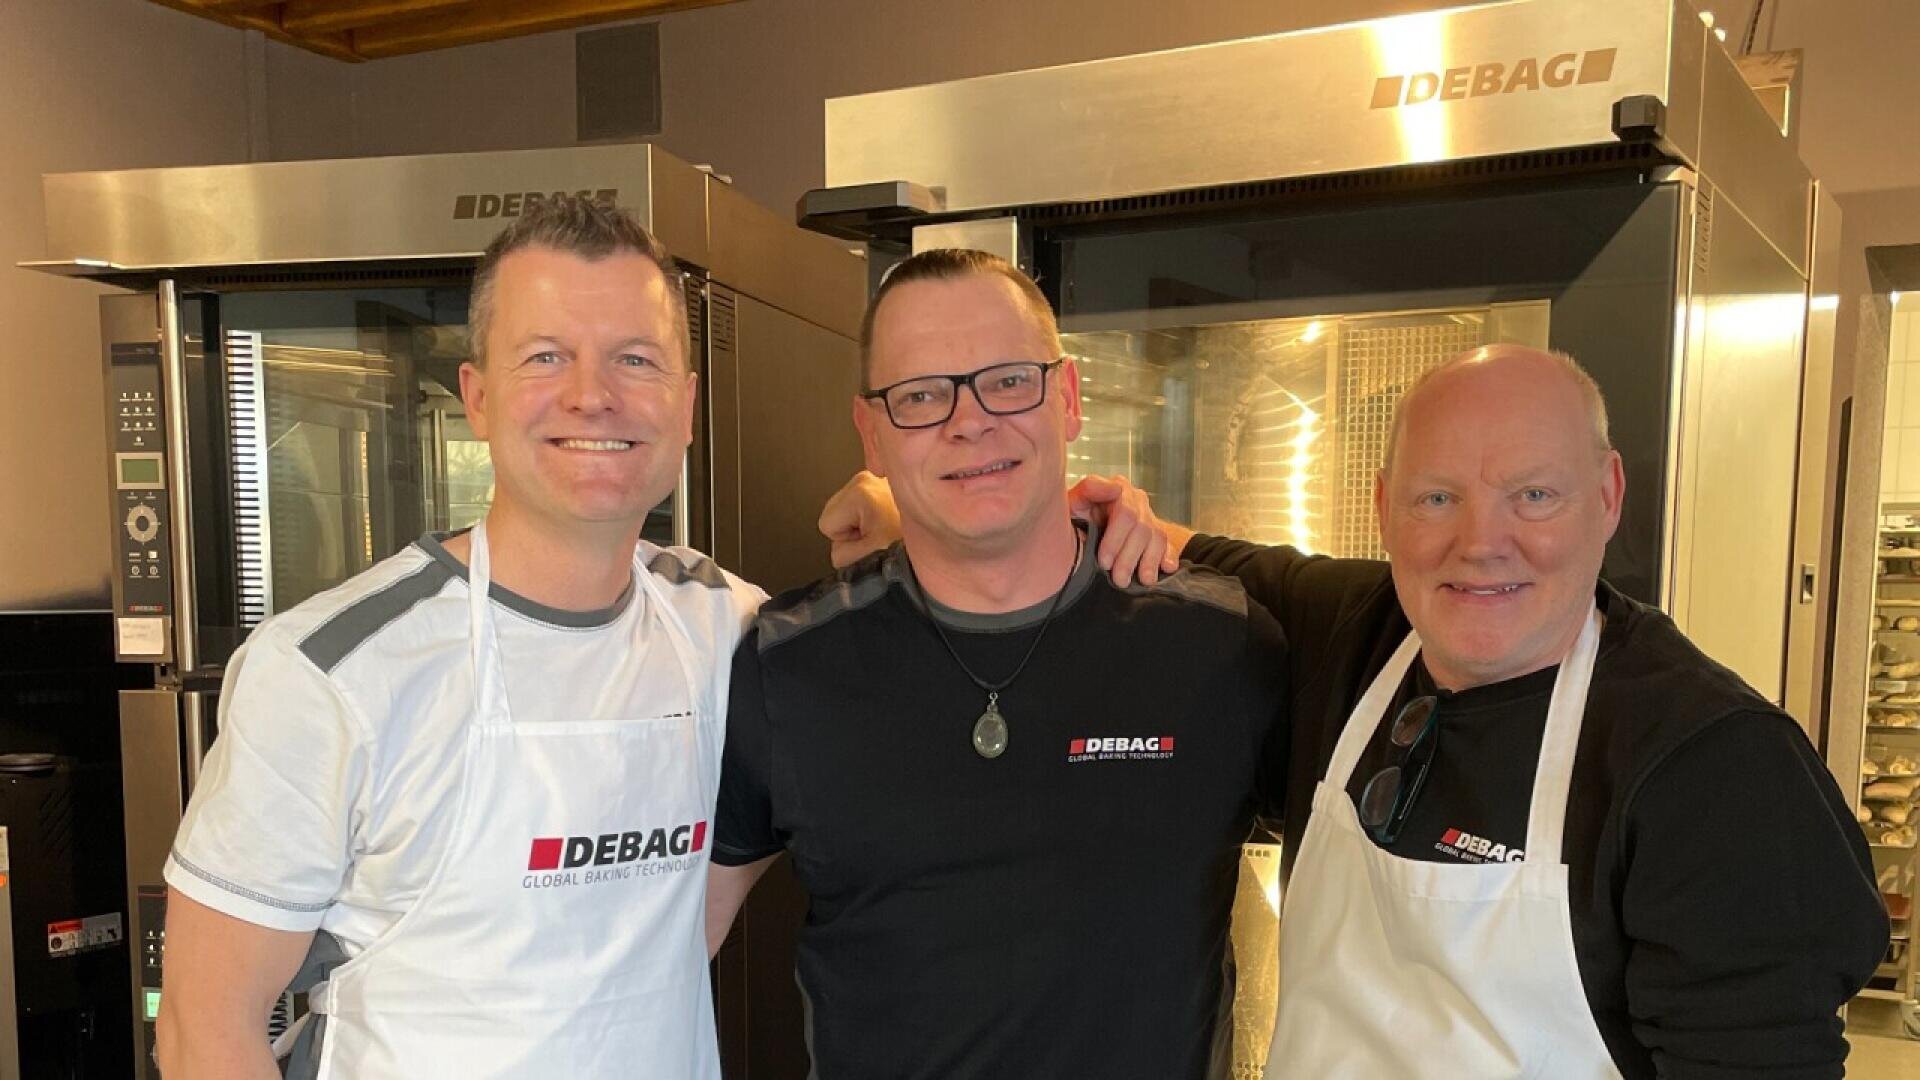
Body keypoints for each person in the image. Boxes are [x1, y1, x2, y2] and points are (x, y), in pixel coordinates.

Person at [823, 344, 1889, 1079]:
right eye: (1437, 498)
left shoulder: (1711, 771)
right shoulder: (1357, 632)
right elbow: (1120, 533)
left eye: (1536, 495)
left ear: (1607, 495)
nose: (1481, 543)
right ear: (1384, 507)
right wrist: (897, 505)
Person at [157, 196, 764, 1079]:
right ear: (477, 398)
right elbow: (205, 1027)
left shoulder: (726, 629)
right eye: (545, 357)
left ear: (686, 405)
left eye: (635, 359)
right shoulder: (329, 671)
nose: (592, 395)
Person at [704, 248, 1288, 1079]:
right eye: (920, 395)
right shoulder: (787, 663)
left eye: (1008, 379)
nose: (969, 420)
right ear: (871, 432)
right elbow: (667, 947)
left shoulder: (1220, 645)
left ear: (1070, 397)